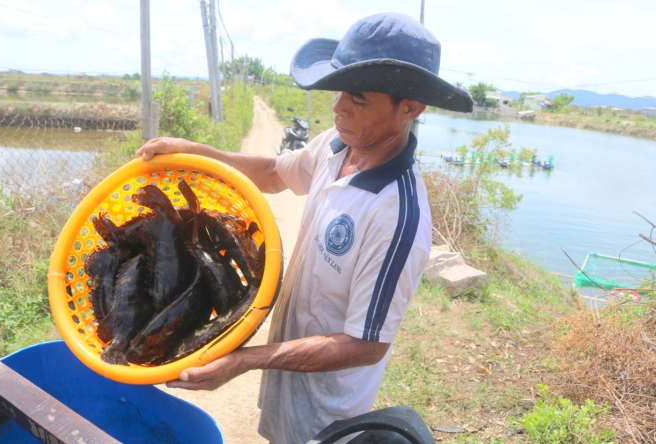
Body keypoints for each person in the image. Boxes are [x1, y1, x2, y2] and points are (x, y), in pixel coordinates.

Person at [136, 12, 473, 443]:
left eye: (357, 98)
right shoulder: (337, 146)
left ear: (410, 107)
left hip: (326, 409)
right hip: (285, 381)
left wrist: (244, 360)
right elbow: (276, 174)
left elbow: (366, 344)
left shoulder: (397, 217)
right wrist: (196, 152)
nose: (337, 109)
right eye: (337, 92)